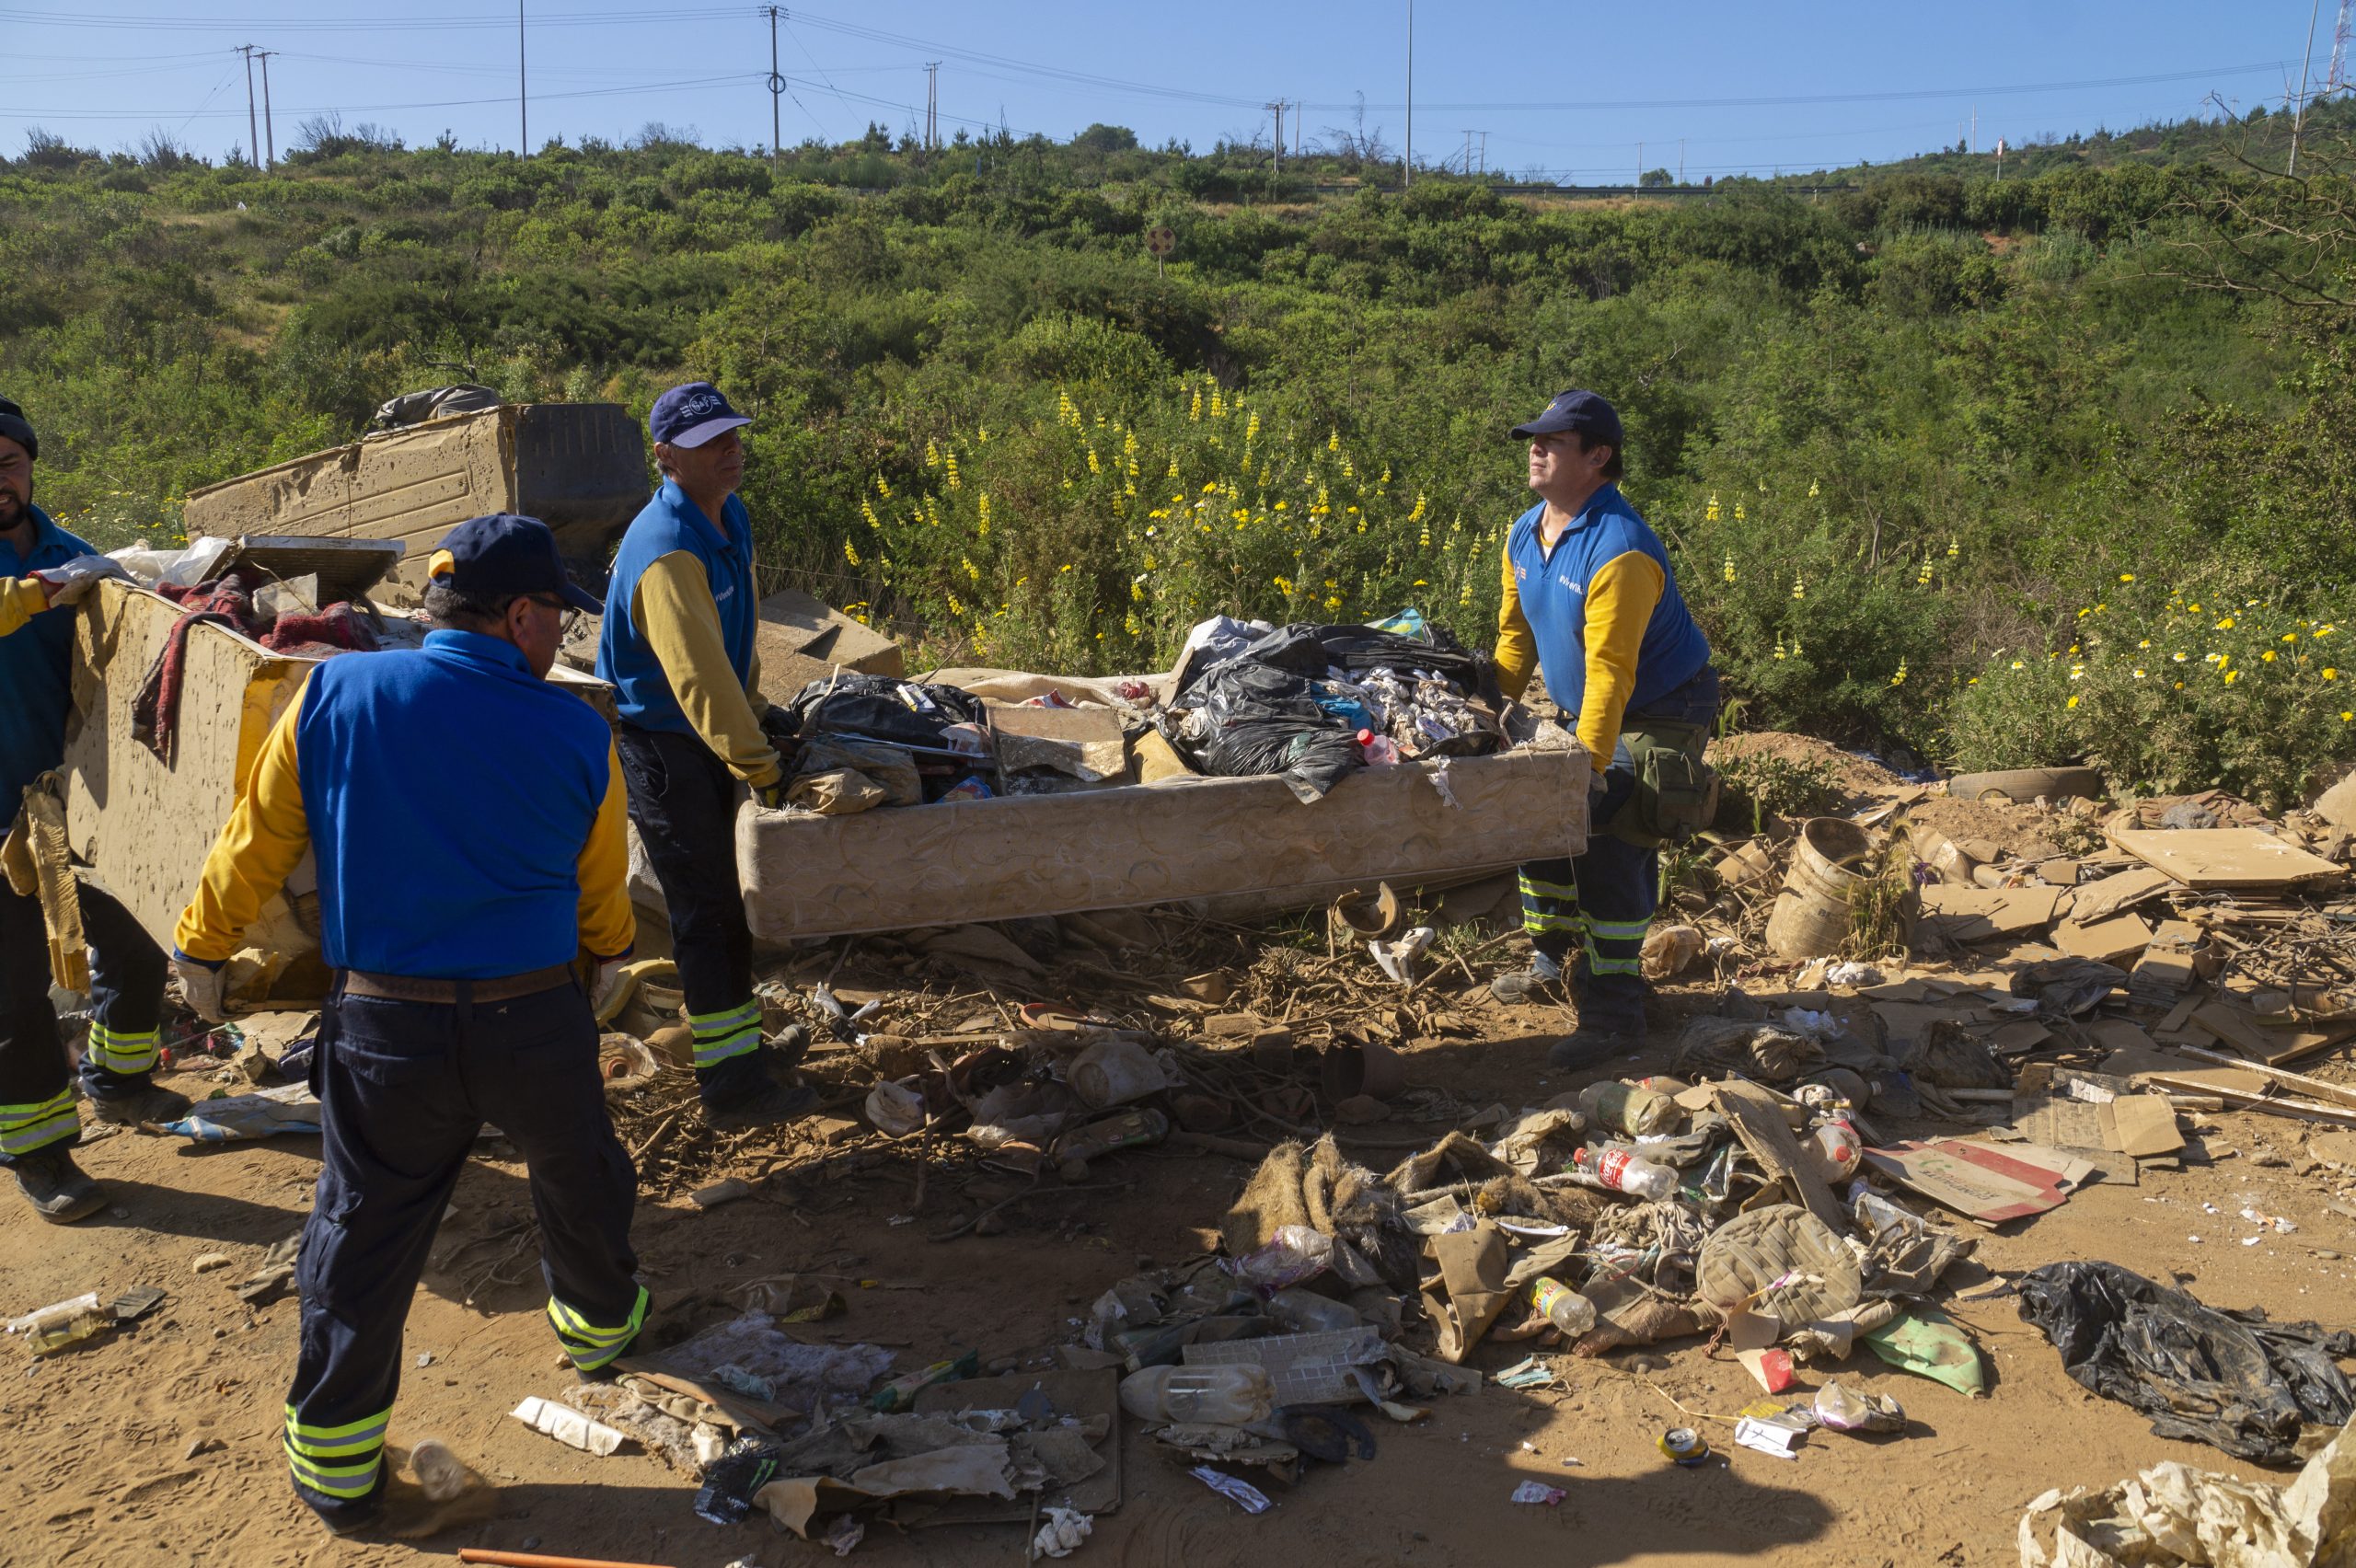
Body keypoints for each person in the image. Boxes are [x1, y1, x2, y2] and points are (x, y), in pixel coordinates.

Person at [171, 514, 646, 1534]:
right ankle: (601, 1335)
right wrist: (608, 957)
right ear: (519, 615)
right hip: (534, 1020)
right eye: (558, 615)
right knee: (581, 1175)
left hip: (386, 1028)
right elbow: (600, 889)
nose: (562, 636)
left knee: (364, 1225)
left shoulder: (332, 694)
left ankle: (337, 1467)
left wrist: (201, 947)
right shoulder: (578, 732)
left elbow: (256, 841)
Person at [596, 381, 809, 1130]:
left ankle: (742, 1052)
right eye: (708, 443)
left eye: (732, 435)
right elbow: (696, 681)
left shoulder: (728, 515)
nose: (729, 450)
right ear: (666, 456)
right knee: (706, 911)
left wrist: (759, 712)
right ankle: (730, 1089)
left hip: (706, 734)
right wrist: (763, 767)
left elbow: (732, 649)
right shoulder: (666, 551)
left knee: (730, 908)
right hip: (663, 745)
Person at [1490, 389, 1719, 1067]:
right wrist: (1482, 723)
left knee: (1610, 825)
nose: (1536, 449)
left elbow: (1612, 674)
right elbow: (1514, 641)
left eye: (1554, 441)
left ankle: (1615, 1011)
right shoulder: (1524, 533)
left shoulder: (1621, 549)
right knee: (1536, 809)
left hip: (1662, 707)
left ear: (1597, 456)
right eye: (1534, 438)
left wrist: (1586, 771)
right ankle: (1553, 963)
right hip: (1589, 701)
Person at [0, 395, 186, 1224]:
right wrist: (44, 592)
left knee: (136, 940)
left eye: (8, 462)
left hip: (75, 802)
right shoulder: (57, 575)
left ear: (30, 465)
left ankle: (119, 1080)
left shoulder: (72, 554)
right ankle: (38, 1152)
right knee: (13, 991)